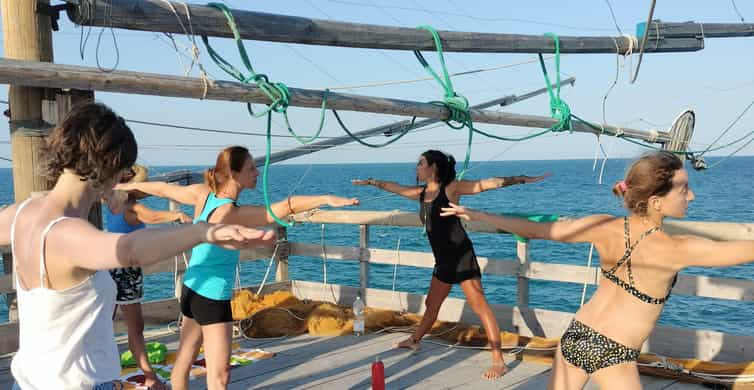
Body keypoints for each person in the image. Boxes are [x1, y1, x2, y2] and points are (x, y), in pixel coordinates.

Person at [0, 102, 273, 390]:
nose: (123, 178)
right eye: (123, 169)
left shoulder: (22, 214)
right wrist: (202, 231)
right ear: (110, 165)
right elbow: (129, 249)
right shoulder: (65, 233)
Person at [440, 150, 754, 389]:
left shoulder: (603, 225)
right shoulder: (677, 247)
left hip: (577, 335)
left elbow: (539, 230)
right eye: (683, 189)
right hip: (614, 351)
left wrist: (478, 213)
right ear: (656, 201)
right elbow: (745, 250)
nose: (692, 196)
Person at [116, 145, 360, 390]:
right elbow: (285, 207)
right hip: (211, 296)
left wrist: (123, 186)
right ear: (234, 174)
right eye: (251, 168)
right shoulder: (232, 212)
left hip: (192, 288)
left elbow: (162, 189)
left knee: (184, 360)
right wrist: (326, 199)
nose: (257, 173)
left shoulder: (204, 194)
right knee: (220, 376)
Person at [352, 149, 548, 380]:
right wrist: (372, 182)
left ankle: (499, 361)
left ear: (433, 167)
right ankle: (414, 341)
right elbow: (393, 187)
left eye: (421, 163)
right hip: (443, 260)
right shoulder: (421, 193)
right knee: (432, 304)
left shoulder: (451, 189)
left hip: (461, 256)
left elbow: (487, 184)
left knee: (480, 307)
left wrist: (521, 179)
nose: (417, 167)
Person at [103, 164, 192, 390]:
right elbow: (151, 217)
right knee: (136, 327)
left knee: (103, 324)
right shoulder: (130, 206)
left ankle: (102, 373)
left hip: (108, 265)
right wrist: (177, 214)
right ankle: (150, 377)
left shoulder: (111, 201)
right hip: (125, 271)